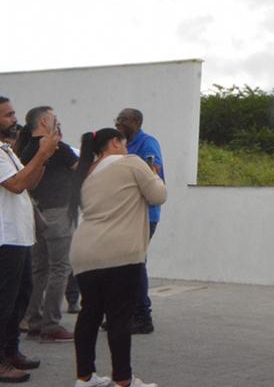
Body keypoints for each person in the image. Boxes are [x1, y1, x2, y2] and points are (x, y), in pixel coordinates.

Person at [70, 127, 166, 387]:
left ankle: (85, 377)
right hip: (120, 253)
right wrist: (153, 177)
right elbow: (158, 196)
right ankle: (123, 379)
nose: (126, 148)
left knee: (90, 313)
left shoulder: (85, 172)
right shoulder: (132, 163)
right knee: (119, 318)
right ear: (114, 143)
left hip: (84, 252)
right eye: (123, 143)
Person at [0, 96, 62, 383]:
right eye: (8, 115)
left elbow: (30, 182)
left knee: (19, 298)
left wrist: (45, 155)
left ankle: (11, 351)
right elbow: (16, 185)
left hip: (19, 237)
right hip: (5, 239)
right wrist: (40, 154)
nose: (14, 120)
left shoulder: (7, 150)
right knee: (4, 302)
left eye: (13, 114)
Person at [16, 106, 79, 345]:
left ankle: (33, 320)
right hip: (57, 213)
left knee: (39, 268)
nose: (58, 121)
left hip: (35, 214)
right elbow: (83, 171)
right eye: (54, 118)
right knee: (60, 268)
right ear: (44, 121)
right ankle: (51, 325)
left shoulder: (26, 149)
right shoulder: (55, 147)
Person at [113, 109, 163, 335]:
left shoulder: (147, 143)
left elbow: (154, 175)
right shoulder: (120, 145)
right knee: (121, 265)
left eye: (124, 120)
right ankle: (124, 313)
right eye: (118, 119)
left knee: (135, 264)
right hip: (125, 214)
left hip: (144, 215)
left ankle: (143, 317)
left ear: (137, 122)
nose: (119, 123)